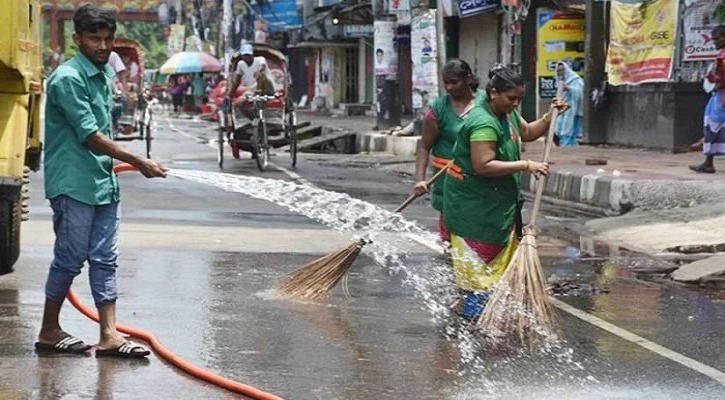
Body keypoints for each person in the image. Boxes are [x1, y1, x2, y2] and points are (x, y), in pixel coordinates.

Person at [36, 4, 168, 358]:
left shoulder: (103, 73)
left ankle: (109, 334)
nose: (103, 46)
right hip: (73, 182)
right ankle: (49, 329)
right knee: (69, 258)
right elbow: (90, 135)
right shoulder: (67, 78)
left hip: (102, 181)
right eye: (94, 39)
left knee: (105, 259)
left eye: (108, 39)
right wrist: (138, 160)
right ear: (77, 39)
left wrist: (121, 163)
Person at [443, 65, 568, 321]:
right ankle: (470, 329)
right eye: (511, 98)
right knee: (478, 280)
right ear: (493, 94)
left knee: (493, 281)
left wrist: (548, 117)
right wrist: (526, 165)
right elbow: (483, 165)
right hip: (475, 213)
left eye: (519, 99)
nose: (515, 104)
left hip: (497, 208)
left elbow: (528, 133)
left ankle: (482, 321)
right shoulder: (483, 123)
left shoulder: (507, 114)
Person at [413, 59, 486, 242]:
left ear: (468, 79)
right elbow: (424, 146)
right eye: (445, 82)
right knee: (453, 242)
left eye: (454, 82)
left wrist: (548, 118)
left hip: (482, 184)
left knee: (481, 241)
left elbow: (520, 131)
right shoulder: (438, 110)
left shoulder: (488, 102)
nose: (449, 87)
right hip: (449, 185)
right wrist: (420, 180)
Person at [690, 26, 725, 174]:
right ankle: (708, 162)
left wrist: (717, 84)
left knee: (714, 125)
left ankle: (708, 162)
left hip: (722, 95)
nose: (714, 42)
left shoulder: (723, 57)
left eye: (717, 39)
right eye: (714, 39)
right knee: (711, 125)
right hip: (719, 94)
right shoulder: (721, 55)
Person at [554, 61, 584, 146]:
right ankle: (563, 143)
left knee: (572, 127)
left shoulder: (575, 79)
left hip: (574, 108)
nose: (561, 73)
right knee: (560, 125)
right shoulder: (560, 81)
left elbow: (580, 91)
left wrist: (569, 88)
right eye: (559, 71)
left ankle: (569, 144)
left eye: (562, 70)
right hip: (563, 107)